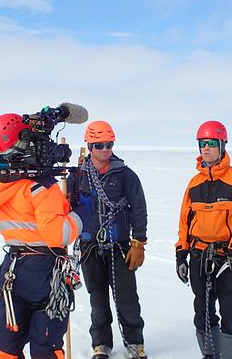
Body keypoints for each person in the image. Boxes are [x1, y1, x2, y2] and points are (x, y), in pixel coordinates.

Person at [0, 113, 89, 359]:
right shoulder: (40, 189)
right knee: (45, 349)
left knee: (6, 347)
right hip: (46, 277)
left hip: (12, 271)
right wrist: (80, 214)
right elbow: (57, 235)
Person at [175, 120, 232, 359]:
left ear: (222, 145)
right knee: (202, 309)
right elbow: (184, 223)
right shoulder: (194, 183)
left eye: (211, 143)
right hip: (199, 256)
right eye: (202, 144)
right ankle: (210, 354)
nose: (206, 148)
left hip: (229, 258)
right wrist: (182, 253)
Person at [70, 120, 148, 359]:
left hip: (120, 246)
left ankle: (135, 342)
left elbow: (138, 208)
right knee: (98, 297)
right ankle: (101, 343)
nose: (105, 150)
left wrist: (139, 242)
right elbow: (65, 208)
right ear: (89, 146)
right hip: (89, 246)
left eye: (109, 144)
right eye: (99, 145)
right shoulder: (76, 176)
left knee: (127, 298)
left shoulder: (125, 175)